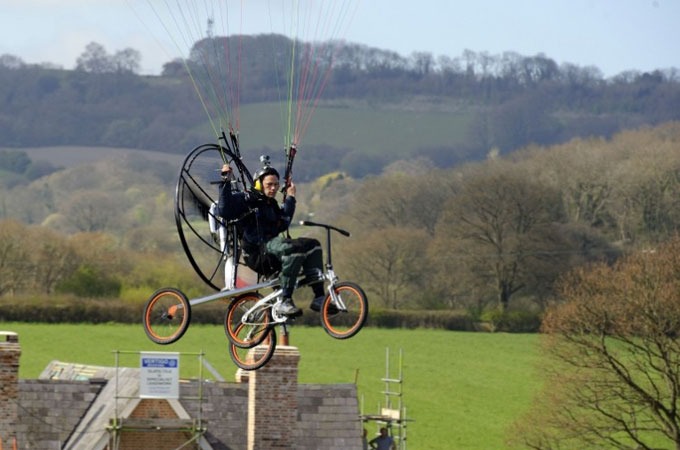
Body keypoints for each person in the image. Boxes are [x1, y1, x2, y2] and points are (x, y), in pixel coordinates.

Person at [217, 159, 326, 316]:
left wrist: (290, 198)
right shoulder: (247, 199)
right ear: (259, 184)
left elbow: (283, 223)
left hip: (272, 248)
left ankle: (319, 297)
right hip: (257, 253)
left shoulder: (271, 204)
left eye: (276, 184)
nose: (274, 188)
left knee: (313, 245)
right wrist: (225, 181)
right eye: (269, 184)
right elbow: (224, 210)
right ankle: (285, 301)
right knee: (292, 249)